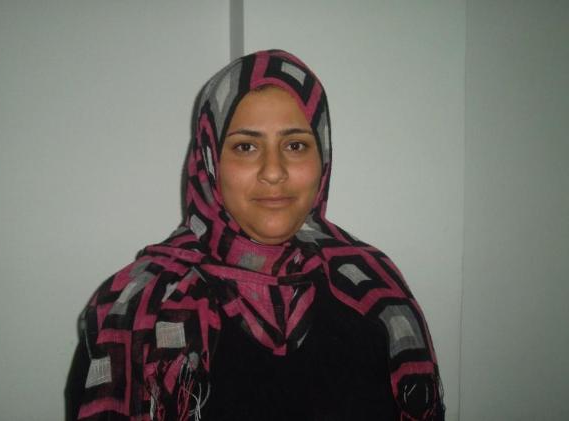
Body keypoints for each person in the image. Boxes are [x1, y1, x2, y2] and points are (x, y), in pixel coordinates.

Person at [65, 49, 445, 420]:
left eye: (295, 145)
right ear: (210, 160)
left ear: (323, 157)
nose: (273, 171)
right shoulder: (133, 310)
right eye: (246, 147)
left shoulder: (376, 291)